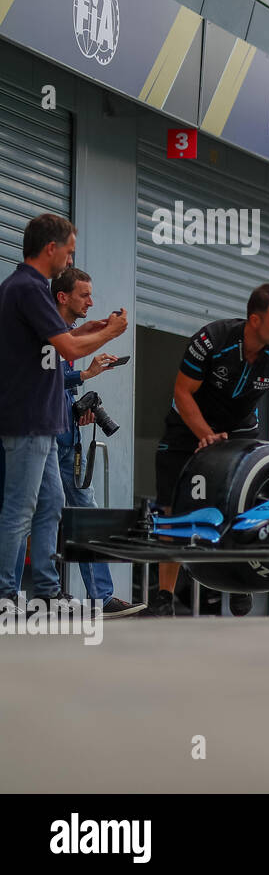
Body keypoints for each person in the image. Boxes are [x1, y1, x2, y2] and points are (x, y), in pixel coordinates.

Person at [148, 283, 269, 617]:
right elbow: (182, 392)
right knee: (173, 514)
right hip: (187, 428)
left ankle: (239, 582)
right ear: (255, 320)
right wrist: (205, 434)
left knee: (241, 509)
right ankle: (164, 599)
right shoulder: (211, 340)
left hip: (240, 432)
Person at [0, 214, 127, 612]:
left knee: (52, 504)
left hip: (44, 422)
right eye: (69, 252)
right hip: (28, 419)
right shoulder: (27, 288)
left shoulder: (29, 288)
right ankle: (4, 595)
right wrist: (111, 332)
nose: (70, 261)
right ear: (51, 249)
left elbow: (65, 337)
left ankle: (46, 591)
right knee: (20, 510)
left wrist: (97, 326)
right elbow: (69, 351)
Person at [49, 267, 144, 617]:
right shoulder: (46, 331)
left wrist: (77, 408)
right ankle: (28, 594)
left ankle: (101, 599)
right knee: (37, 512)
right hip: (41, 439)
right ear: (63, 296)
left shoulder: (70, 334)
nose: (91, 301)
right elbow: (40, 375)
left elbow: (59, 384)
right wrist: (84, 374)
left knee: (85, 514)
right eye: (84, 295)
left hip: (66, 434)